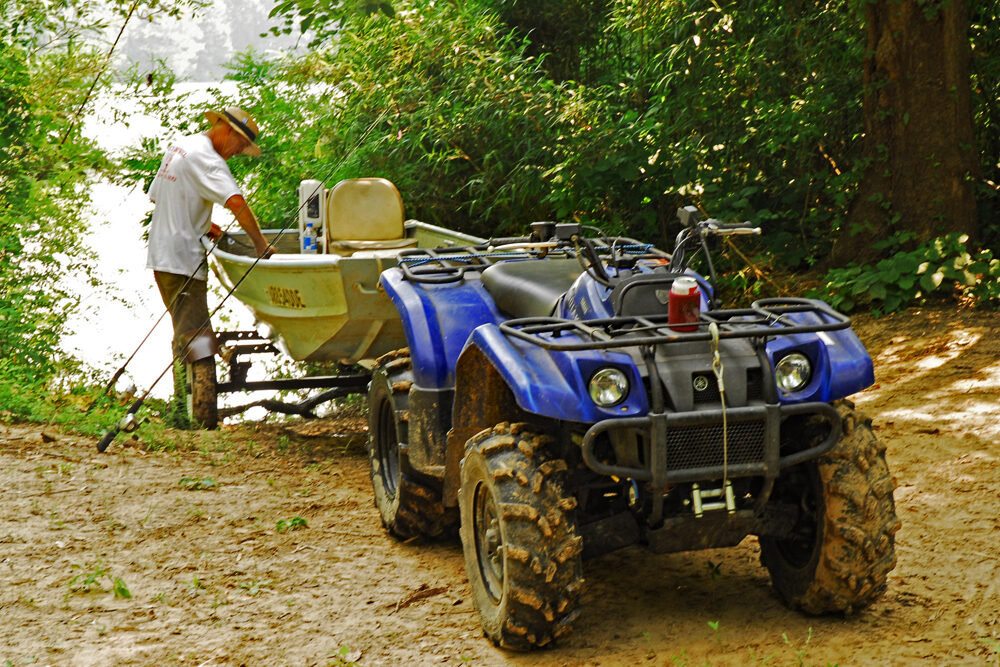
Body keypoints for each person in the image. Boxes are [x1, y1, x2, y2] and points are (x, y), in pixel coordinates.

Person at [145, 106, 272, 426]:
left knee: (185, 329)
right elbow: (237, 202)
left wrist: (204, 223)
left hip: (162, 254)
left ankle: (183, 406)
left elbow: (160, 198)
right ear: (228, 131)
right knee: (196, 334)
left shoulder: (180, 145)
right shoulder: (210, 160)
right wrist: (260, 244)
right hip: (182, 259)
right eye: (240, 146)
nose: (238, 153)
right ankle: (198, 417)